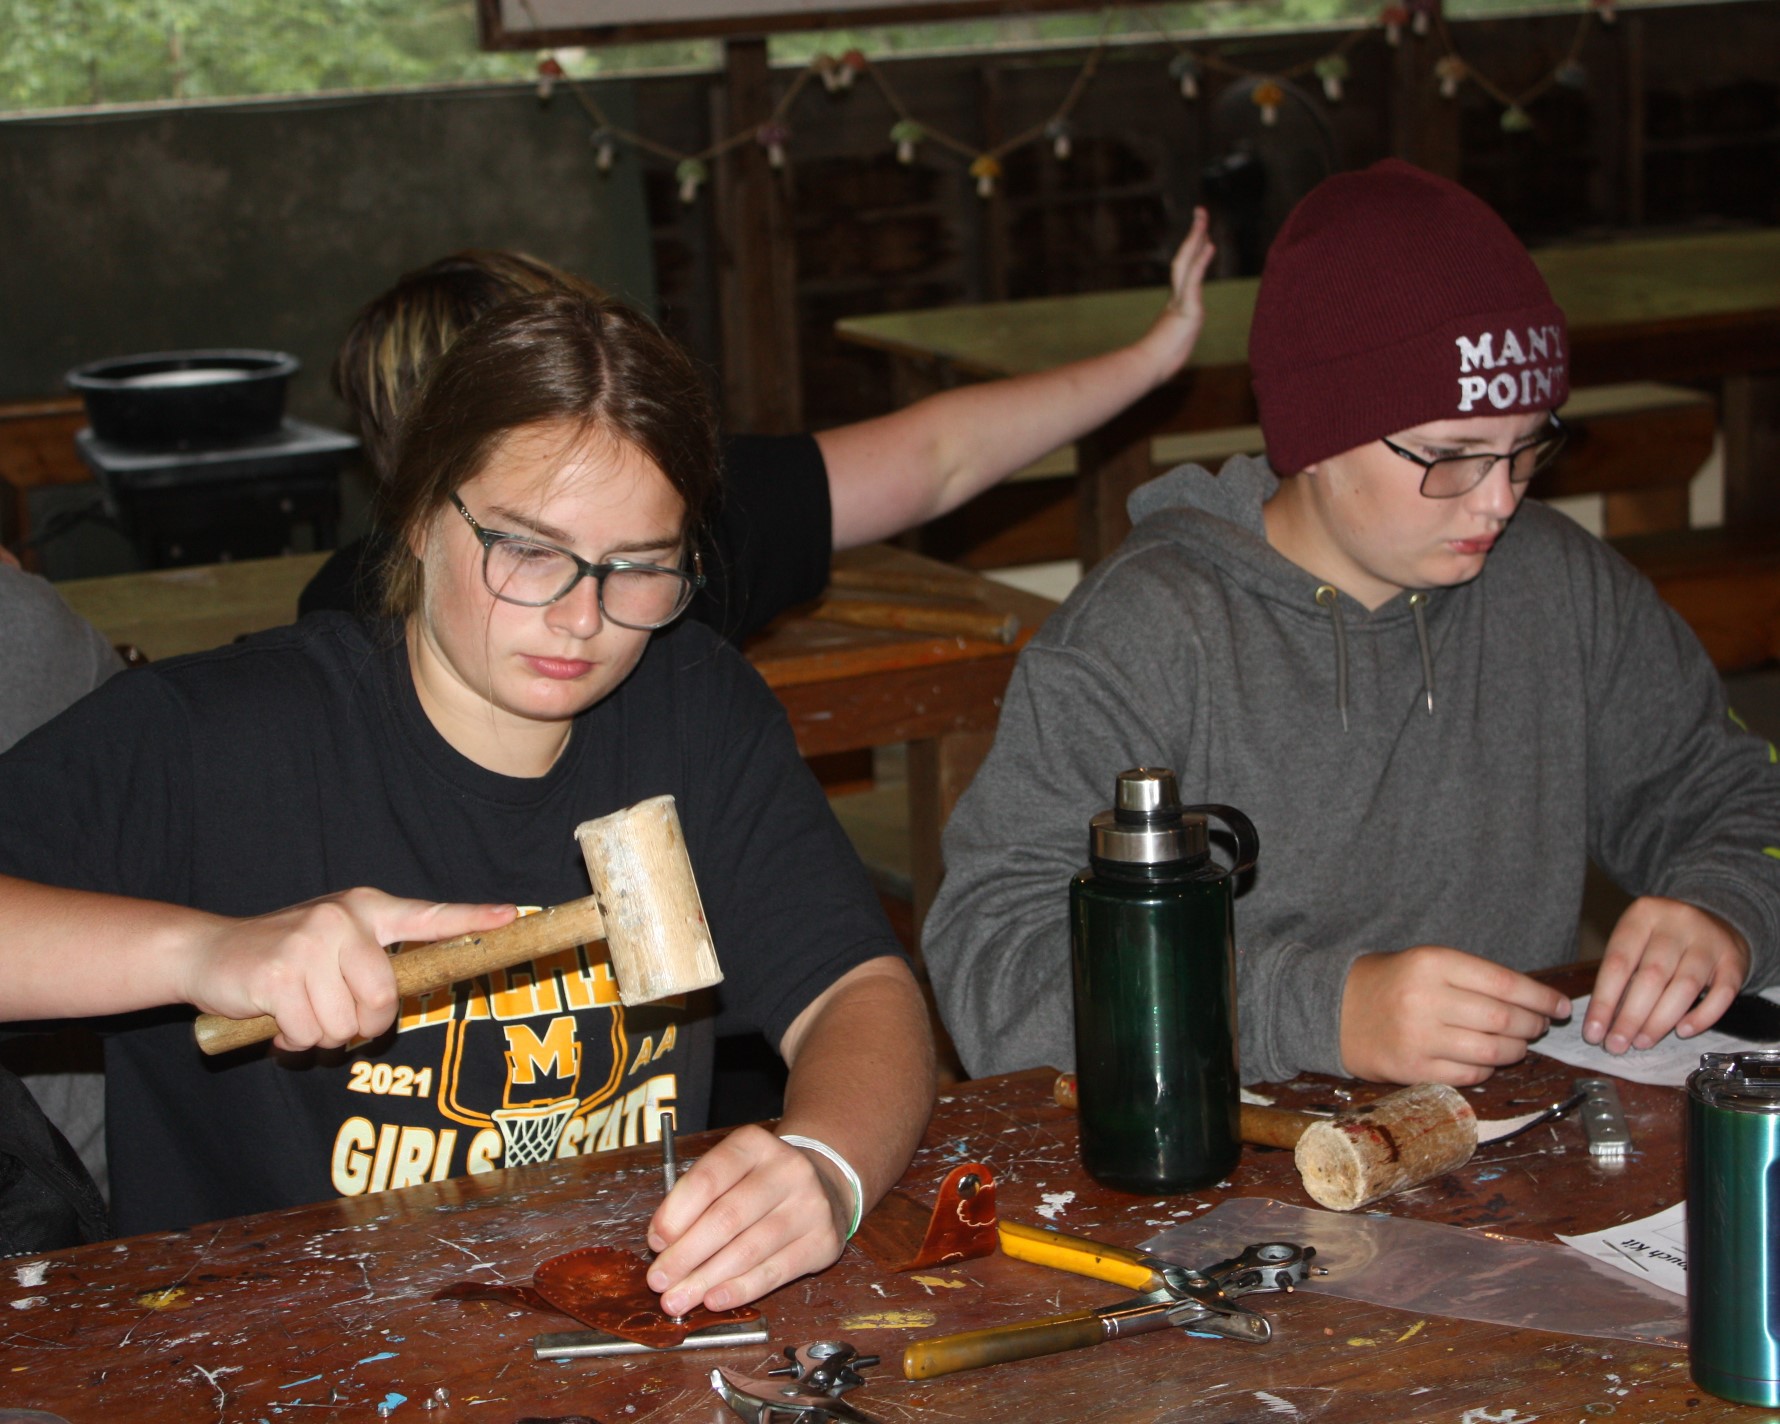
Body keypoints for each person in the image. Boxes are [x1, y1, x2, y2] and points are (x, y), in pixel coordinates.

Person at [0, 290, 935, 1320]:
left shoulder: (693, 711)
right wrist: (200, 952)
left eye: (637, 567)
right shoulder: (210, 739)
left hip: (614, 1322)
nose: (582, 617)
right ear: (414, 512)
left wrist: (825, 1164)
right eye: (528, 549)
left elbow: (861, 991)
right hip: (267, 1350)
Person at [923, 159, 1780, 1089]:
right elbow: (994, 968)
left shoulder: (1559, 584)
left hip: (1506, 1155)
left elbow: (1733, 793)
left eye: (1529, 447)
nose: (1498, 499)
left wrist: (1724, 906)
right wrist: (1322, 1013)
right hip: (1219, 1168)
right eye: (1451, 457)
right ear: (1316, 440)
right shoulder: (1147, 636)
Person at [300, 215, 1217, 640]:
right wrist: (1149, 359)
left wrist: (1153, 361)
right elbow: (937, 457)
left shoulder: (340, 603)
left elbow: (941, 454)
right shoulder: (707, 522)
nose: (582, 615)